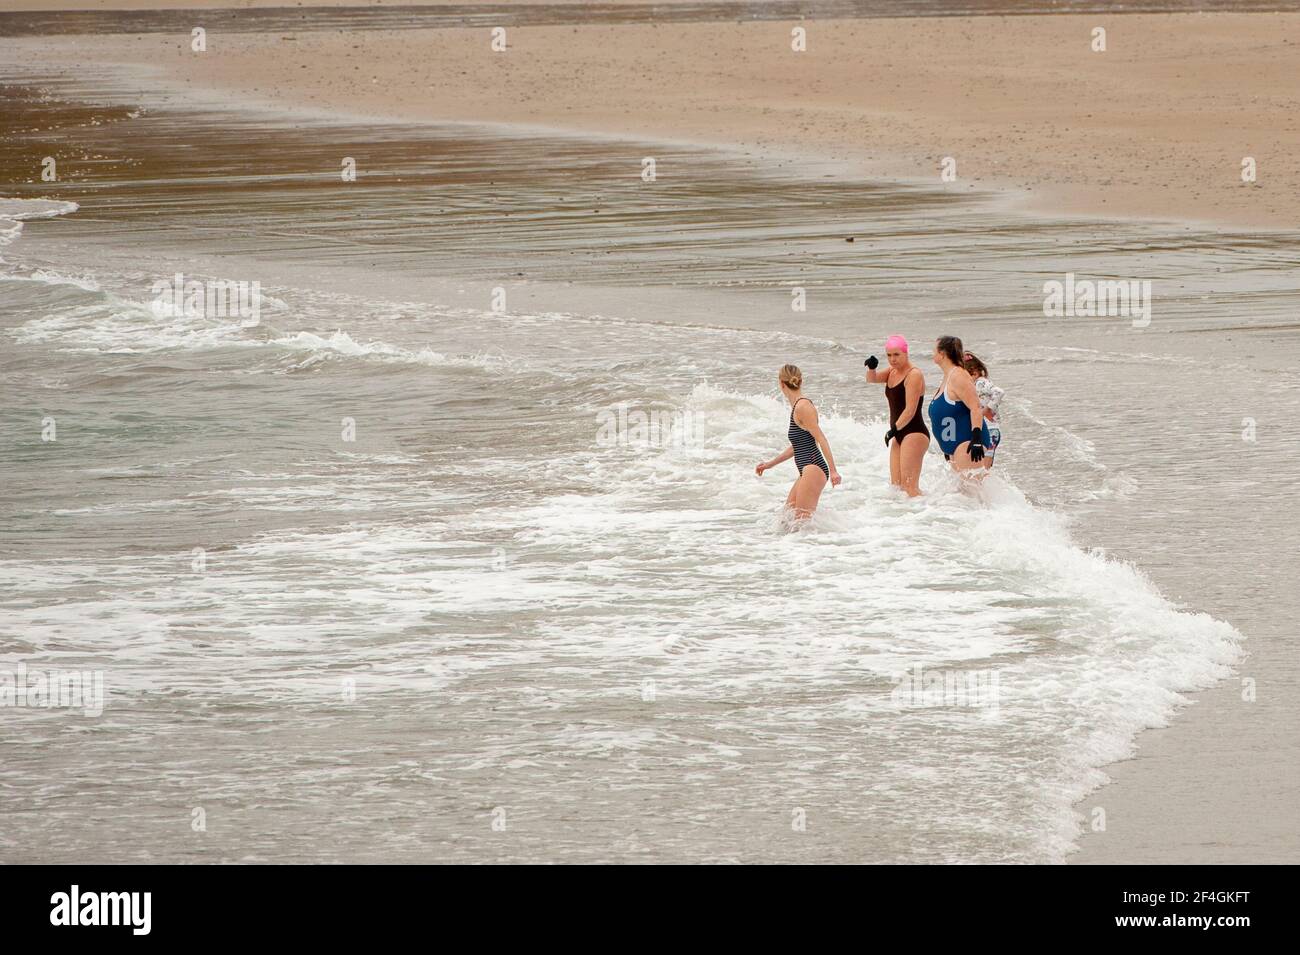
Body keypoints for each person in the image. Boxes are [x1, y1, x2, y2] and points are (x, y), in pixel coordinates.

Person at [755, 364, 842, 520]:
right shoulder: (797, 406)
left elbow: (821, 438)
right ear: (800, 381)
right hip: (807, 468)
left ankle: (822, 543)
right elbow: (798, 446)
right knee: (786, 520)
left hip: (813, 467)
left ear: (781, 384)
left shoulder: (803, 407)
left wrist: (834, 470)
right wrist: (770, 464)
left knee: (801, 523)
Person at [864, 334, 927, 496]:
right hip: (898, 432)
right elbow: (872, 380)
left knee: (910, 488)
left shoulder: (914, 374)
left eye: (897, 355)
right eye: (889, 355)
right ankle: (907, 520)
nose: (892, 359)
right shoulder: (892, 372)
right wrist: (872, 368)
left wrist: (893, 430)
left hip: (914, 432)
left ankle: (933, 512)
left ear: (906, 353)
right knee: (896, 488)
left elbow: (910, 410)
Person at [927, 336, 986, 473]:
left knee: (972, 493)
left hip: (967, 443)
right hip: (955, 446)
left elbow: (976, 407)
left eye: (934, 350)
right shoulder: (948, 375)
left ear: (942, 354)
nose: (932, 354)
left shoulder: (959, 376)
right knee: (961, 494)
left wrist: (976, 439)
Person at [962, 351, 1003, 469]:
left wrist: (986, 410)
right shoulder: (975, 384)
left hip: (991, 430)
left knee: (985, 466)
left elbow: (999, 392)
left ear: (974, 372)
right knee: (982, 465)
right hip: (985, 430)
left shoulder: (981, 382)